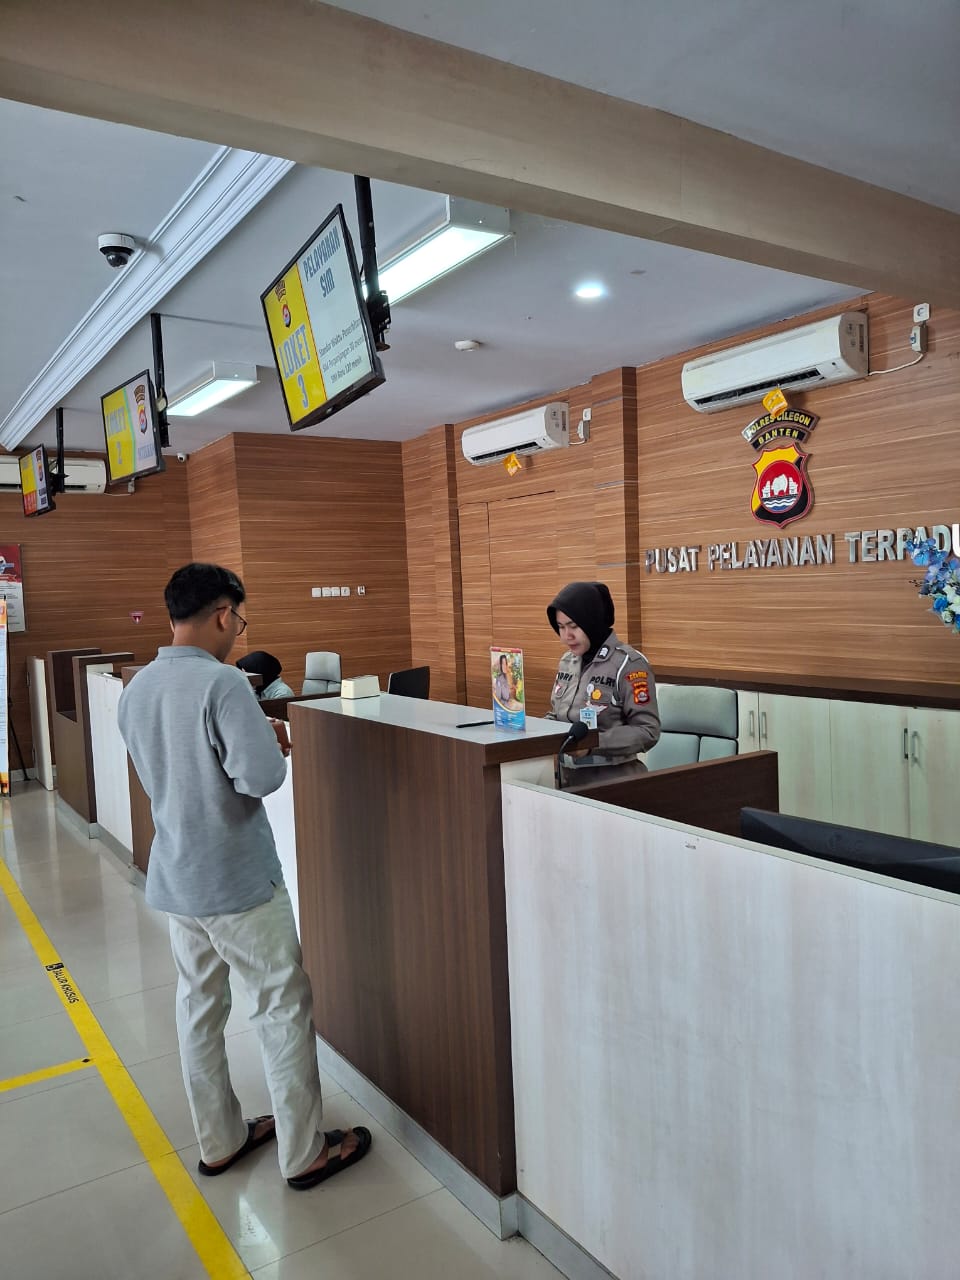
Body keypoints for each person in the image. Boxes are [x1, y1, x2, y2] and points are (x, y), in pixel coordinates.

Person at [118, 562, 371, 1190]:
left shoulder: (139, 687)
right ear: (223, 613)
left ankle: (220, 1140)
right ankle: (305, 1153)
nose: (238, 631)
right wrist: (267, 740)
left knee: (199, 1008)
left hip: (177, 877)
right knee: (281, 1006)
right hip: (237, 881)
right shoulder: (223, 682)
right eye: (239, 619)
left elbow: (175, 769)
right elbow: (259, 778)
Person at [546, 580, 660, 790]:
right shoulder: (567, 661)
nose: (566, 636)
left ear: (591, 621)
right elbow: (557, 715)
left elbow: (647, 731)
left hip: (614, 784)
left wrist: (592, 744)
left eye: (573, 626)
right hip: (566, 781)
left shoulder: (628, 664)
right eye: (561, 627)